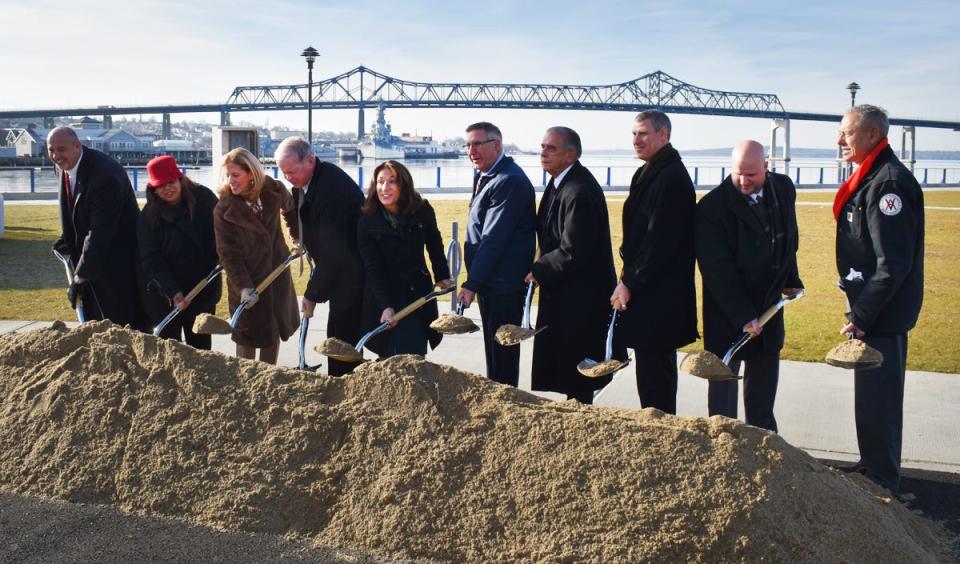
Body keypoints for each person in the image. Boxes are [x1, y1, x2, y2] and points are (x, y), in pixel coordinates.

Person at [833, 104, 924, 497]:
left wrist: (863, 315)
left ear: (872, 135)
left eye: (847, 134)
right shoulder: (871, 177)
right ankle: (872, 465)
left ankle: (883, 482)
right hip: (872, 313)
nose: (839, 140)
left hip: (881, 317)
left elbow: (893, 265)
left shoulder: (888, 185)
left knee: (880, 402)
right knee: (869, 399)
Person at [694, 140, 803, 432]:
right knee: (723, 391)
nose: (743, 181)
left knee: (763, 395)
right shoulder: (711, 208)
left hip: (769, 307)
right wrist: (743, 315)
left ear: (767, 167)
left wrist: (792, 280)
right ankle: (723, 446)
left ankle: (764, 441)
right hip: (728, 312)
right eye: (737, 173)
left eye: (752, 175)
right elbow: (717, 271)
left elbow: (787, 239)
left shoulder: (783, 188)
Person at [611, 110, 698, 414]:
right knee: (649, 370)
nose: (636, 140)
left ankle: (660, 433)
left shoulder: (672, 177)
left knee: (656, 375)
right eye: (634, 134)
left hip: (661, 295)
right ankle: (656, 428)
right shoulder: (650, 171)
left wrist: (628, 282)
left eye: (643, 134)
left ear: (664, 135)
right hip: (650, 290)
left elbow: (660, 242)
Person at [527, 127, 620, 404]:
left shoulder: (578, 190)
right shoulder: (561, 184)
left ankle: (581, 419)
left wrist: (539, 269)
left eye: (551, 148)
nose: (543, 153)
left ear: (571, 155)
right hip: (568, 292)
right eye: (542, 147)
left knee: (578, 369)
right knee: (569, 368)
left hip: (581, 297)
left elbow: (574, 248)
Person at [274, 137, 365, 376]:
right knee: (337, 333)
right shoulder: (306, 184)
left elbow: (334, 250)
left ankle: (345, 383)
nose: (287, 178)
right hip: (339, 270)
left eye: (291, 171)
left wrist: (313, 294)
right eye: (283, 172)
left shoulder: (331, 190)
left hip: (354, 271)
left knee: (343, 337)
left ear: (310, 160)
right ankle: (340, 379)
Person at [457, 122, 536, 387]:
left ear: (497, 145)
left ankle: (508, 408)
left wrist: (471, 284)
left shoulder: (509, 180)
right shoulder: (487, 175)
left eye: (477, 143)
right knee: (494, 351)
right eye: (468, 144)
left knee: (503, 354)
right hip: (491, 282)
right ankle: (498, 404)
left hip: (504, 284)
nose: (471, 150)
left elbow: (494, 238)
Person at [48, 126, 147, 329]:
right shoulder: (63, 166)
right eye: (51, 150)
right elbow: (76, 209)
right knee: (96, 324)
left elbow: (100, 233)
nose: (56, 155)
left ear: (77, 146)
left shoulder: (105, 176)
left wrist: (79, 277)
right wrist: (67, 238)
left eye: (61, 149)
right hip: (94, 260)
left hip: (118, 262)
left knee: (123, 326)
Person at [356, 160, 453, 357]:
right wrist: (385, 305)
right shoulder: (367, 220)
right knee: (390, 356)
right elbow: (373, 268)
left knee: (415, 353)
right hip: (386, 296)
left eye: (392, 181)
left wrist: (442, 275)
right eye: (380, 182)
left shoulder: (422, 209)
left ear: (404, 185)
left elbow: (434, 244)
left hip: (417, 294)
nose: (385, 188)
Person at [213, 147, 299, 365]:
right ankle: (246, 383)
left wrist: (297, 237)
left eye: (235, 175)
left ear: (251, 173)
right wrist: (243, 287)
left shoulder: (274, 190)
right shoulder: (224, 209)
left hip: (276, 275)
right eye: (228, 175)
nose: (230, 180)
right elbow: (228, 253)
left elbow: (291, 209)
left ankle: (270, 379)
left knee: (273, 331)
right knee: (247, 336)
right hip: (247, 281)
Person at [137, 155, 222, 349]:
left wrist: (222, 253)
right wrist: (172, 291)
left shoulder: (204, 199)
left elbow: (223, 231)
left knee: (201, 348)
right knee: (170, 347)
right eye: (161, 185)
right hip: (165, 292)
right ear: (153, 188)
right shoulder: (148, 217)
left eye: (171, 182)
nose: (168, 188)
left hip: (203, 286)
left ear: (180, 179)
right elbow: (150, 258)